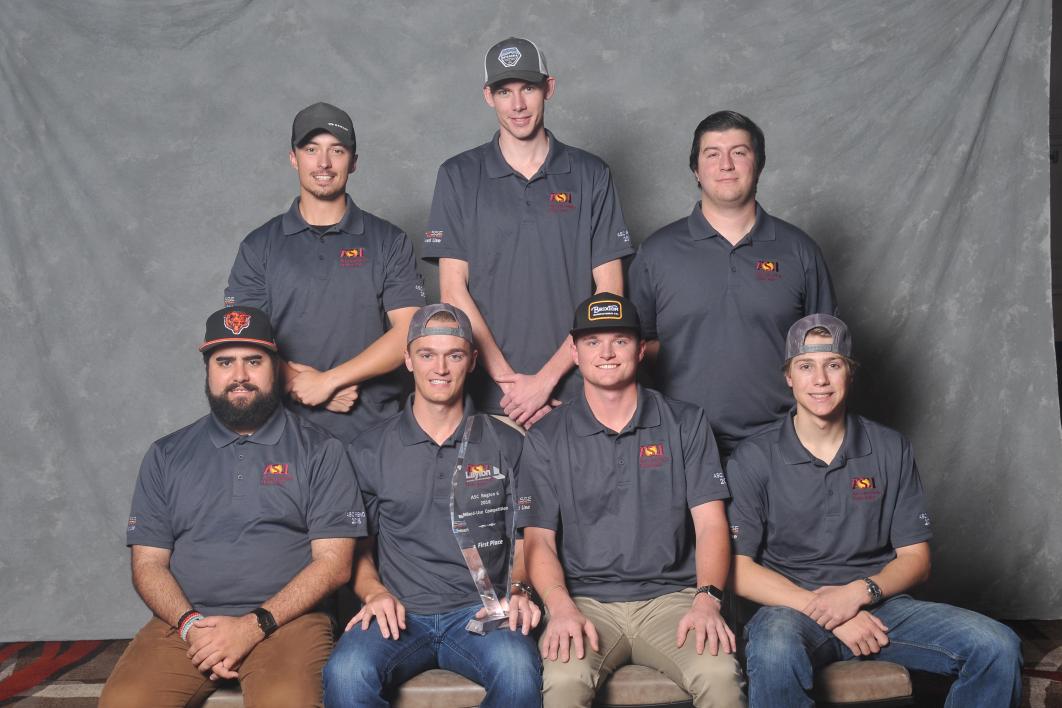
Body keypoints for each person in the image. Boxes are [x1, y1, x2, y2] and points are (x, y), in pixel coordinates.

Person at [727, 314, 1023, 708]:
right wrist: (832, 611)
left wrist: (858, 594)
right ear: (788, 377)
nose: (820, 380)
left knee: (997, 646)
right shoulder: (753, 456)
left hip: (881, 605)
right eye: (806, 366)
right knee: (774, 651)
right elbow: (737, 568)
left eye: (833, 365)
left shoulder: (889, 448)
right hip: (790, 608)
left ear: (850, 373)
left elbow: (917, 560)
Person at [100, 306, 366, 708]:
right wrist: (191, 626)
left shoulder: (321, 450)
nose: (239, 375)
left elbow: (334, 564)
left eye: (253, 361)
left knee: (286, 703)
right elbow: (148, 564)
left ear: (275, 368)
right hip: (188, 624)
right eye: (225, 362)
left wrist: (252, 626)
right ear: (208, 370)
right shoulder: (166, 455)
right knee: (124, 703)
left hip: (288, 623)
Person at [519, 293, 746, 708]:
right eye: (592, 342)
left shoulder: (685, 422)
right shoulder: (547, 435)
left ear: (641, 349)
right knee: (564, 681)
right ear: (574, 351)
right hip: (585, 601)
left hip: (672, 600)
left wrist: (707, 598)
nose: (606, 352)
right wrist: (560, 607)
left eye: (620, 340)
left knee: (719, 674)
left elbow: (712, 524)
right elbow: (539, 540)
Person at [323, 304, 543, 707]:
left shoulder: (507, 443)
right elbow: (355, 549)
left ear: (472, 361)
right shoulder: (369, 449)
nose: (439, 368)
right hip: (400, 616)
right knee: (346, 673)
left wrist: (518, 589)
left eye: (454, 355)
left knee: (517, 669)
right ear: (408, 359)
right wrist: (373, 594)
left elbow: (525, 537)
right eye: (427, 354)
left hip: (482, 615)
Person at [422, 37, 634, 429]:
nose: (517, 105)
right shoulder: (458, 176)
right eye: (504, 91)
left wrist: (546, 380)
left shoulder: (591, 174)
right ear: (489, 96)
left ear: (548, 88)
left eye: (528, 89)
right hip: (491, 398)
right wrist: (511, 384)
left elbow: (609, 295)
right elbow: (452, 291)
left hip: (576, 394)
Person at [629, 110, 837, 461]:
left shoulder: (799, 251)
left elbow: (826, 352)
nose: (726, 164)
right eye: (712, 154)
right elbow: (632, 346)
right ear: (696, 169)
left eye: (739, 152)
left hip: (783, 444)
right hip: (684, 444)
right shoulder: (657, 253)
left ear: (759, 164)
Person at [226, 102, 426, 444]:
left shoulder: (387, 241)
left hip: (375, 435)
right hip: (283, 437)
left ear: (354, 161)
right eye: (311, 149)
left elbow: (411, 331)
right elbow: (242, 340)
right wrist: (295, 381)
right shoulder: (259, 246)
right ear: (293, 158)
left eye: (337, 150)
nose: (323, 163)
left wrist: (330, 381)